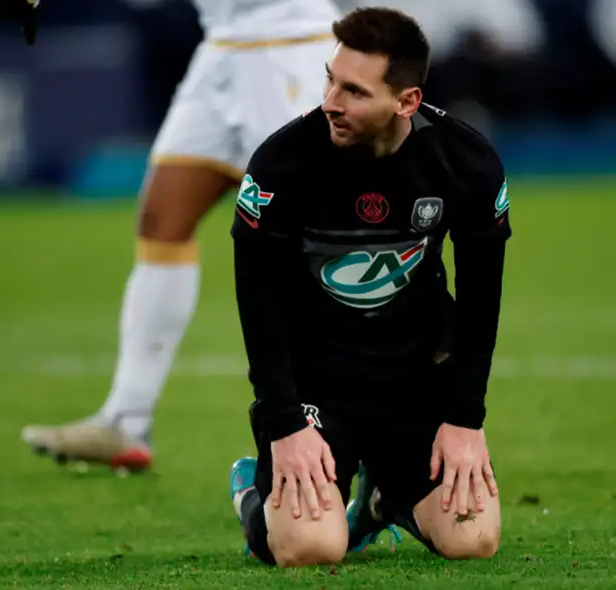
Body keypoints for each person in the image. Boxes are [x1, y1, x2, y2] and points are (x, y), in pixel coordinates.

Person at [226, 7, 510, 566]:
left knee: (473, 541)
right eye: (330, 79)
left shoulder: (465, 162)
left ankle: (384, 500)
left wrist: (464, 419)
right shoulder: (283, 163)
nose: (331, 101)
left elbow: (481, 300)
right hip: (318, 384)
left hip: (416, 376)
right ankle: (250, 489)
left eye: (354, 91)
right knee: (311, 548)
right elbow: (257, 300)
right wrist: (284, 424)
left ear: (405, 102)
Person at [19, 0, 342, 472]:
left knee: (322, 239)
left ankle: (363, 430)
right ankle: (127, 419)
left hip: (289, 46)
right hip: (222, 48)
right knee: (162, 220)